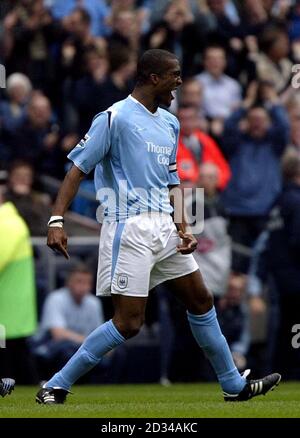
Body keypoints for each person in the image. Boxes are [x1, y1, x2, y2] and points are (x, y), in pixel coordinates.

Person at [36, 49, 280, 405]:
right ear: (153, 77)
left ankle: (232, 385)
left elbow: (172, 180)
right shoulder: (113, 117)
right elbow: (77, 170)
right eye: (174, 75)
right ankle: (55, 386)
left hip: (164, 227)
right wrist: (57, 219)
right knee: (129, 323)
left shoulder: (170, 122)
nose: (179, 83)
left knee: (201, 298)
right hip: (128, 227)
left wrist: (183, 226)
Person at [32, 264, 104, 376]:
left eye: (87, 283)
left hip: (82, 347)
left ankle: (102, 387)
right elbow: (58, 334)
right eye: (79, 282)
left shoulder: (94, 303)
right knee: (67, 350)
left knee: (117, 353)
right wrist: (88, 341)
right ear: (69, 283)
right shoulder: (56, 298)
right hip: (50, 345)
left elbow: (99, 332)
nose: (83, 287)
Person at [0, 186, 37, 390]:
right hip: (9, 310)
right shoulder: (9, 222)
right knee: (17, 358)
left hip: (8, 308)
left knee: (13, 363)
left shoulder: (8, 224)